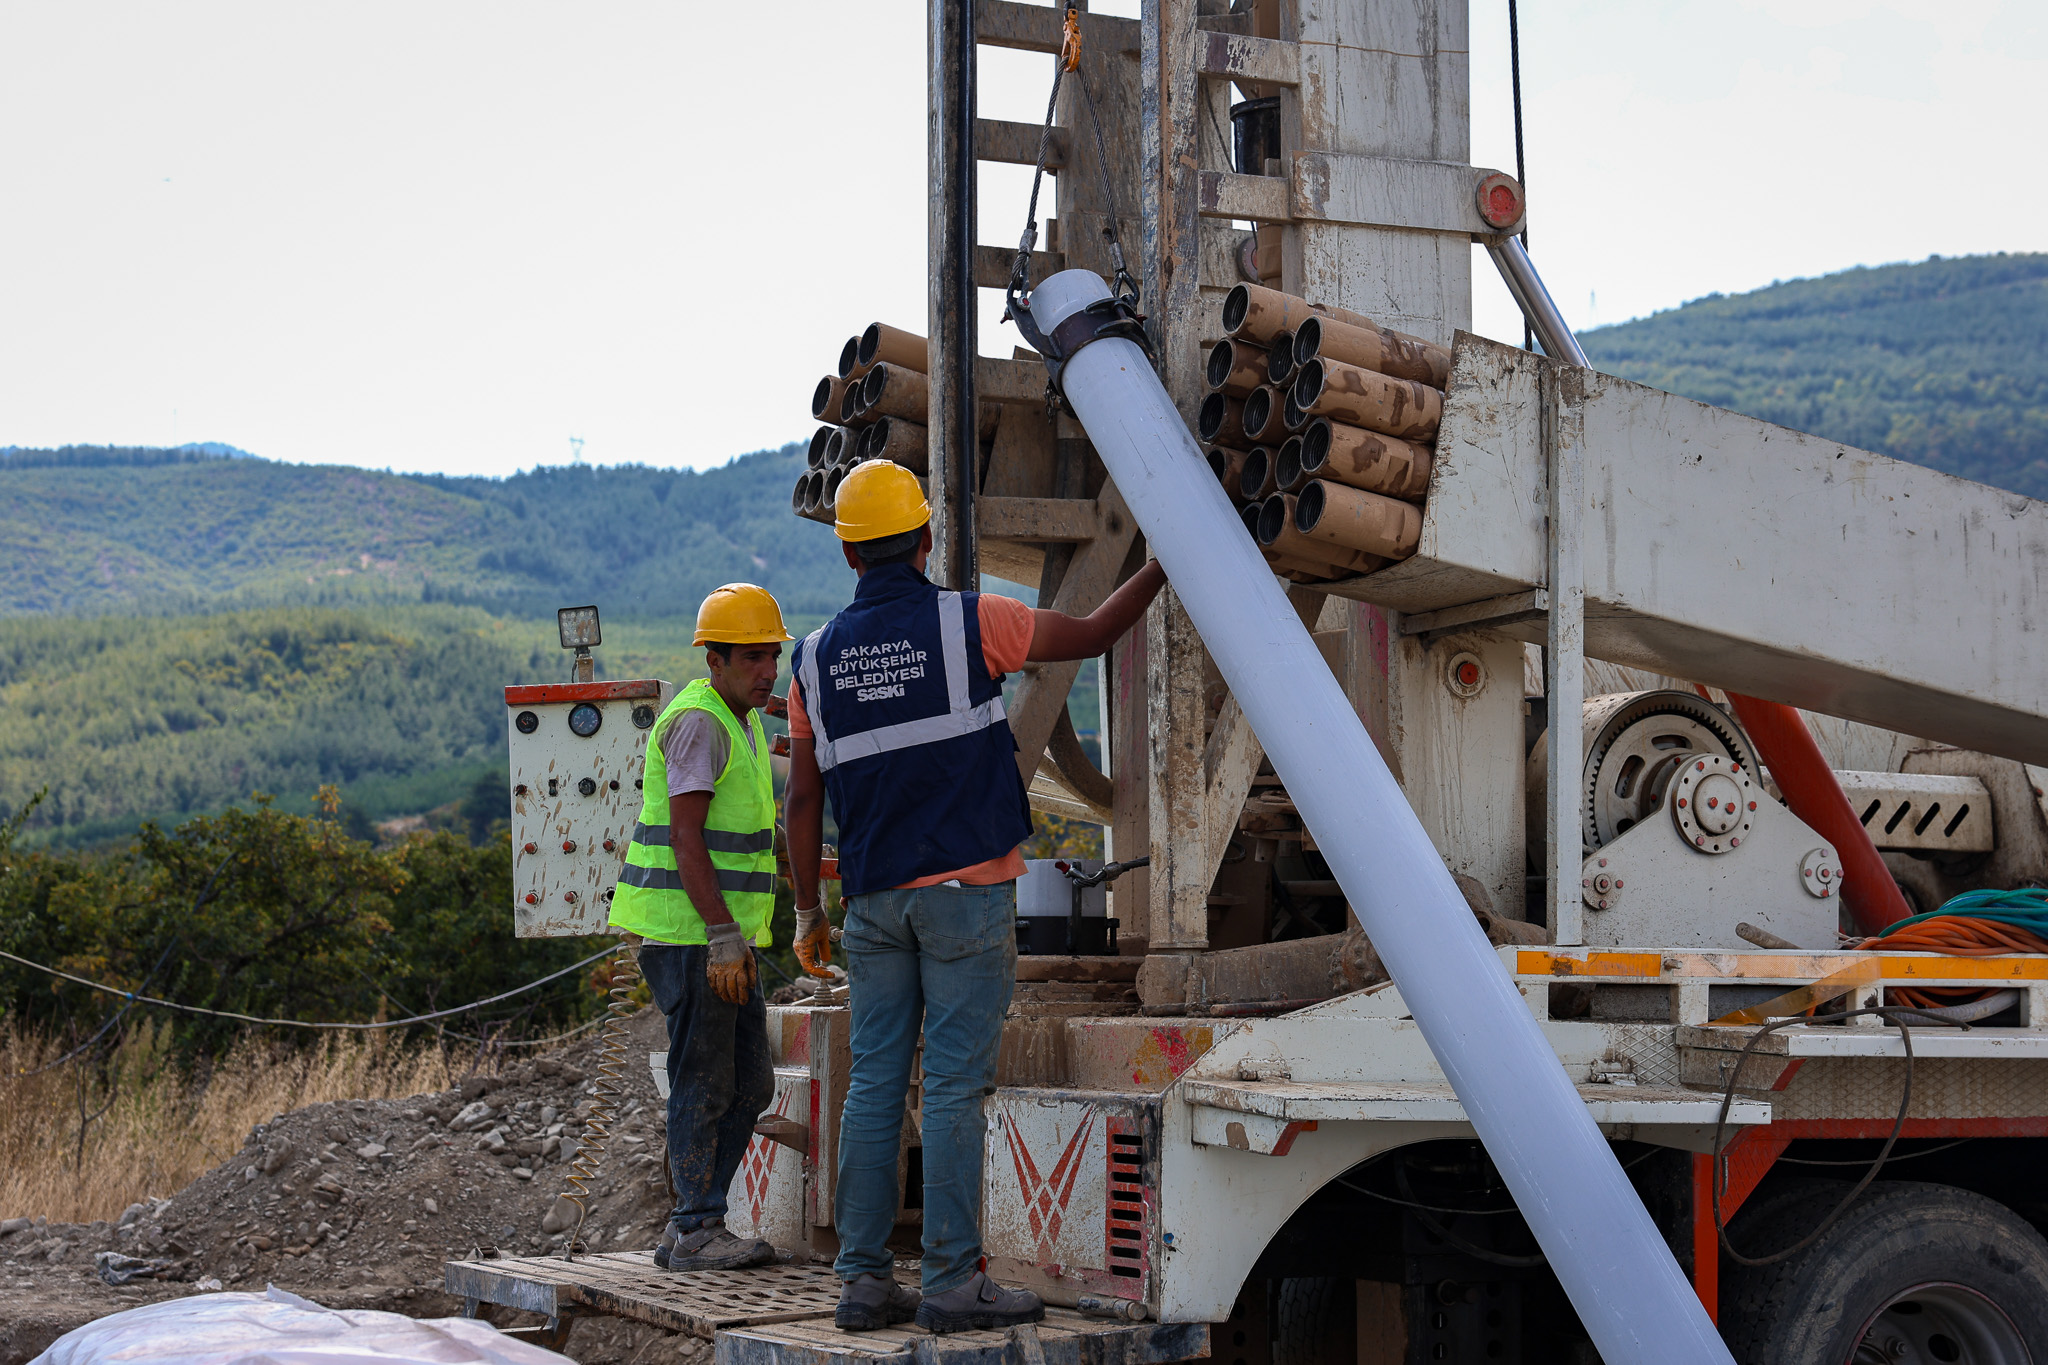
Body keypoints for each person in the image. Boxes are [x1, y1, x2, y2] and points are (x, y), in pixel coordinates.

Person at [784, 460, 1165, 1333]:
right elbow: (1099, 630)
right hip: (968, 895)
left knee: (875, 1083)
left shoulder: (810, 661)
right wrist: (1161, 562)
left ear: (847, 554)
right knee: (953, 1088)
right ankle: (954, 1281)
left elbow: (802, 800)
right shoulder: (971, 623)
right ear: (923, 540)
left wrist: (809, 910)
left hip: (873, 905)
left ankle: (863, 1283)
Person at [608, 583, 791, 1272]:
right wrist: (720, 932)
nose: (767, 669)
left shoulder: (735, 717)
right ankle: (695, 1225)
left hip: (722, 940)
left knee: (750, 1083)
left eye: (772, 655)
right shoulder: (700, 722)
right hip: (695, 940)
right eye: (751, 657)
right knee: (705, 1079)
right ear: (713, 661)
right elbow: (686, 838)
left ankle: (696, 1219)